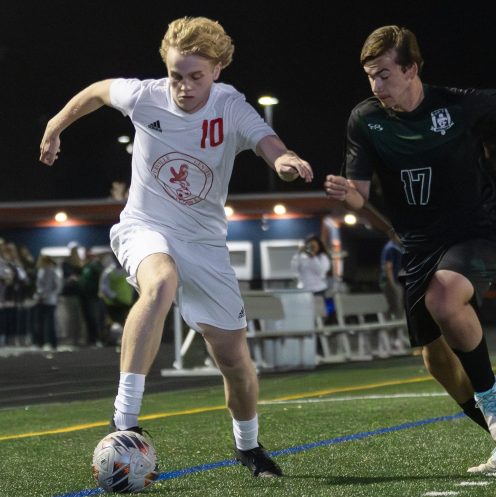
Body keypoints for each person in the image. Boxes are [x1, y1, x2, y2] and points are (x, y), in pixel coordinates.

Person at [40, 16, 313, 478]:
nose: (183, 87)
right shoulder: (145, 96)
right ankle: (124, 421)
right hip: (145, 225)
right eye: (175, 75)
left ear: (218, 70)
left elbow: (267, 142)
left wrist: (284, 158)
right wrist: (55, 125)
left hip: (205, 242)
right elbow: (97, 91)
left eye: (195, 76)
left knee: (235, 362)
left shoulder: (231, 108)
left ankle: (248, 447)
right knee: (160, 281)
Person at [324, 25, 496, 473]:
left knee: (444, 297)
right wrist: (345, 193)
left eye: (385, 74)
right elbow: (360, 196)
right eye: (370, 75)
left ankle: (494, 402)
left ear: (411, 69)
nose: (376, 85)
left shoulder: (458, 105)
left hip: (476, 231)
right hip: (419, 245)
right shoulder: (365, 120)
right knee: (436, 361)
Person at [34, 255, 62, 350]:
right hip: (41, 300)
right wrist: (39, 294)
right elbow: (39, 286)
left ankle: (53, 343)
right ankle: (40, 342)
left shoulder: (53, 271)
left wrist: (50, 295)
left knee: (50, 322)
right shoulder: (41, 271)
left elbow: (57, 286)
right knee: (40, 322)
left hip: (50, 301)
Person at [379, 234, 405, 319]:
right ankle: (396, 327)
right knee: (397, 304)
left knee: (395, 305)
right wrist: (392, 283)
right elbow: (388, 267)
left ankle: (391, 327)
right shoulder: (390, 248)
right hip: (390, 281)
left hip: (397, 281)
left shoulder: (398, 247)